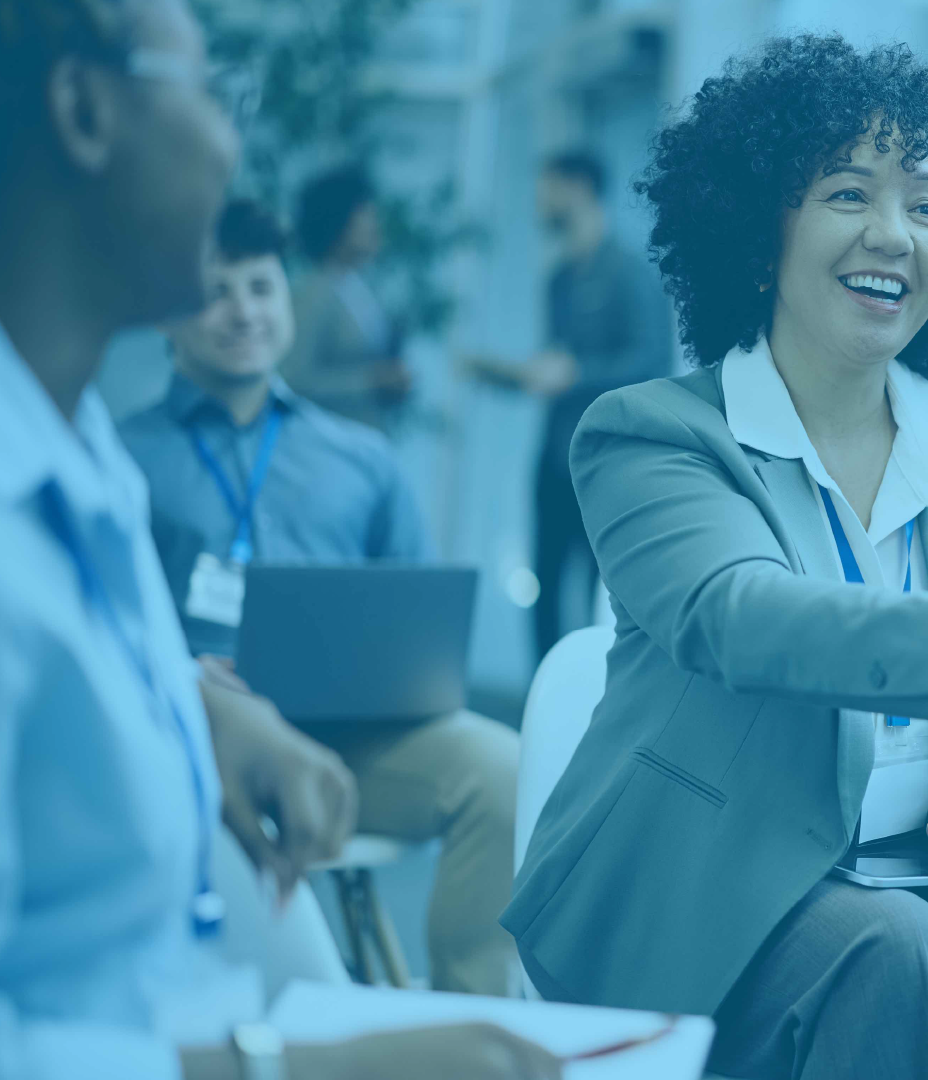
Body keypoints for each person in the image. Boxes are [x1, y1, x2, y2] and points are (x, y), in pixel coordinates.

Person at [504, 35, 928, 1080]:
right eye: (850, 195)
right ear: (762, 233)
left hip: (915, 873)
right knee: (897, 961)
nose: (893, 234)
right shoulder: (652, 432)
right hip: (707, 877)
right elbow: (739, 615)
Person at [0, 0, 558, 1075]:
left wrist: (196, 709)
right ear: (81, 108)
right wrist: (281, 1067)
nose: (232, 139)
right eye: (213, 92)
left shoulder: (82, 463)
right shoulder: (94, 463)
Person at [119, 198, 523, 996]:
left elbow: (419, 621)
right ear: (169, 318)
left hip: (351, 745)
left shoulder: (360, 459)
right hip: (198, 750)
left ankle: (463, 1021)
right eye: (217, 291)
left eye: (262, 289)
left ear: (286, 303)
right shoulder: (123, 457)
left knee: (499, 768)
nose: (243, 312)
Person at [468, 148, 676, 663]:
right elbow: (555, 370)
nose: (539, 200)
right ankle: (541, 703)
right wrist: (512, 377)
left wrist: (576, 372)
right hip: (554, 455)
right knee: (544, 585)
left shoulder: (628, 272)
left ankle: (590, 709)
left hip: (605, 460)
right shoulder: (559, 278)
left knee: (597, 590)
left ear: (578, 187)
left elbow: (651, 358)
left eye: (547, 186)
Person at [282, 162, 411, 434]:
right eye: (365, 213)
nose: (374, 222)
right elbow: (293, 381)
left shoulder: (360, 286)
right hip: (328, 445)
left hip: (365, 440)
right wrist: (370, 381)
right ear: (338, 221)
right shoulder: (313, 292)